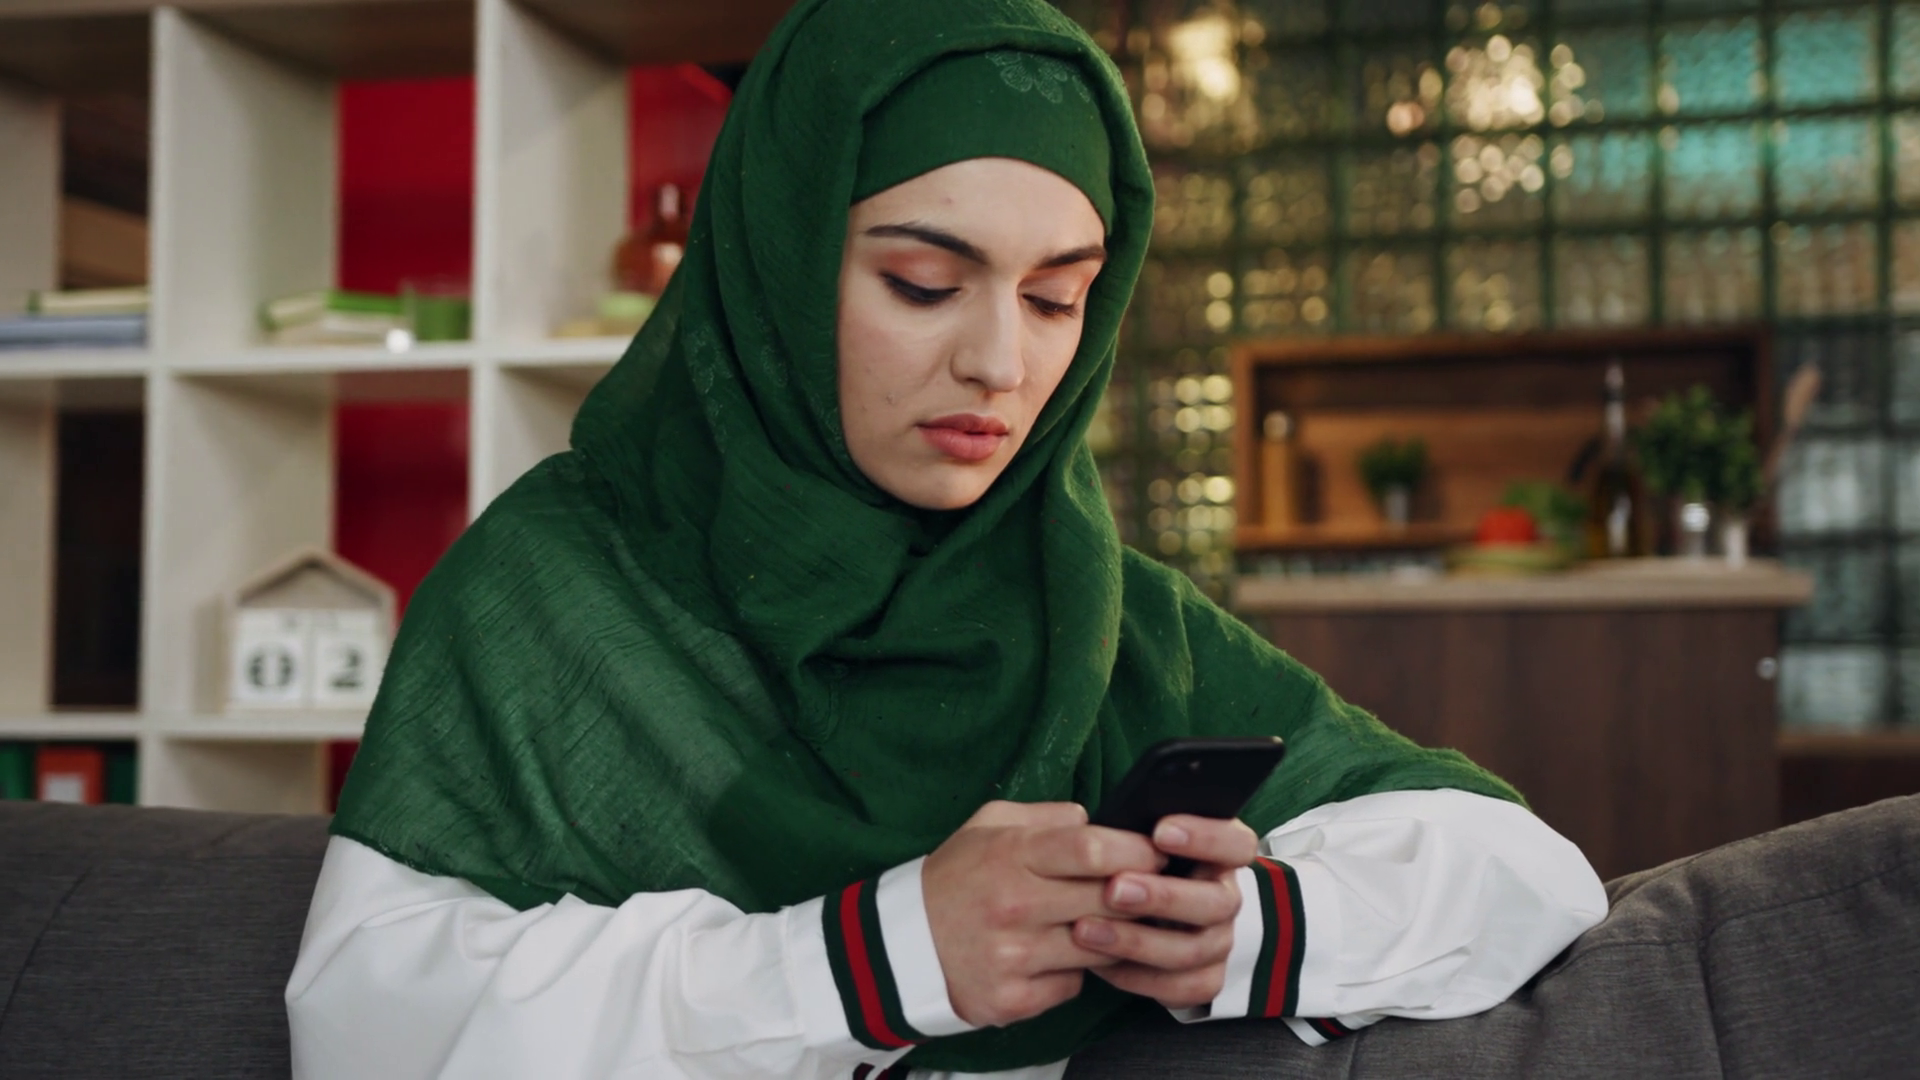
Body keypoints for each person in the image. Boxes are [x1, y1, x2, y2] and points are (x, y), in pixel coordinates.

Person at [285, 1, 1606, 1077]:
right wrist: (872, 957)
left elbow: (1528, 873)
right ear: (779, 264)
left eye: (1058, 299)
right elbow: (364, 1029)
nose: (1000, 364)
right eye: (923, 283)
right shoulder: (549, 590)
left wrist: (1250, 929)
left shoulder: (1100, 612)